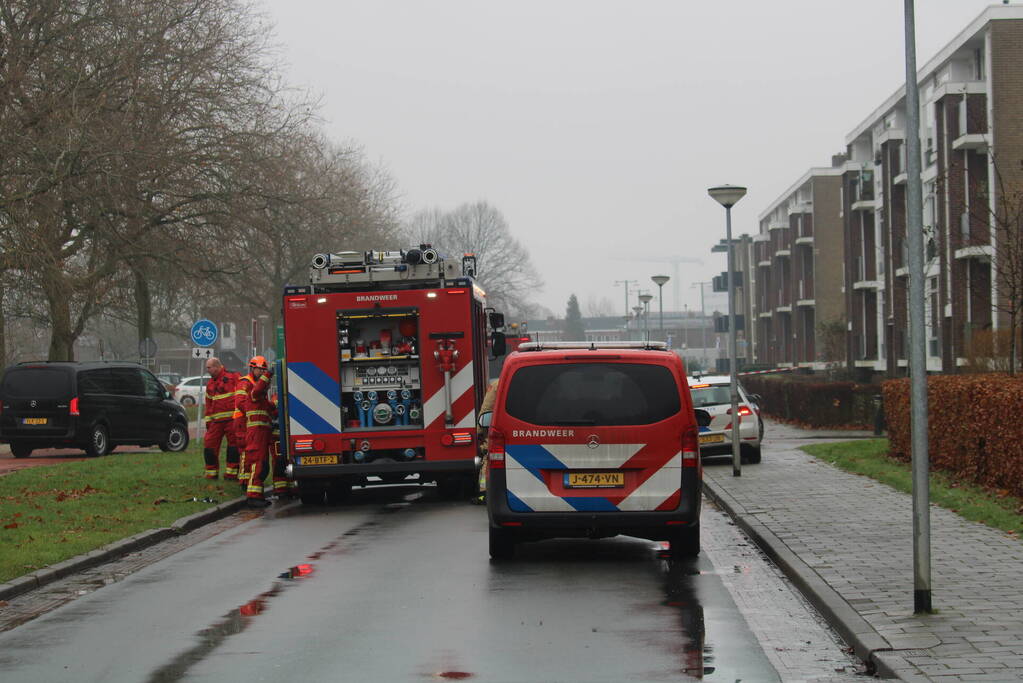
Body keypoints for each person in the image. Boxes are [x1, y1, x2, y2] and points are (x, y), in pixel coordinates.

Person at [241, 356, 275, 508]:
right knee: (259, 464)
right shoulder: (254, 393)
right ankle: (253, 497)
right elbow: (259, 388)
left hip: (261, 434)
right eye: (259, 369)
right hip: (256, 435)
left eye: (263, 370)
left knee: (263, 466)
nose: (261, 372)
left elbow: (271, 408)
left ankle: (257, 495)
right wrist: (268, 374)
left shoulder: (261, 399)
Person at [201, 357, 241, 480]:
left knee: (233, 447)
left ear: (217, 367)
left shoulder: (233, 377)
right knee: (209, 445)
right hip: (216, 422)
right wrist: (208, 422)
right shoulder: (210, 384)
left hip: (232, 420)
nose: (207, 370)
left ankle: (231, 474)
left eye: (209, 368)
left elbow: (242, 394)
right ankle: (211, 473)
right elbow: (208, 404)